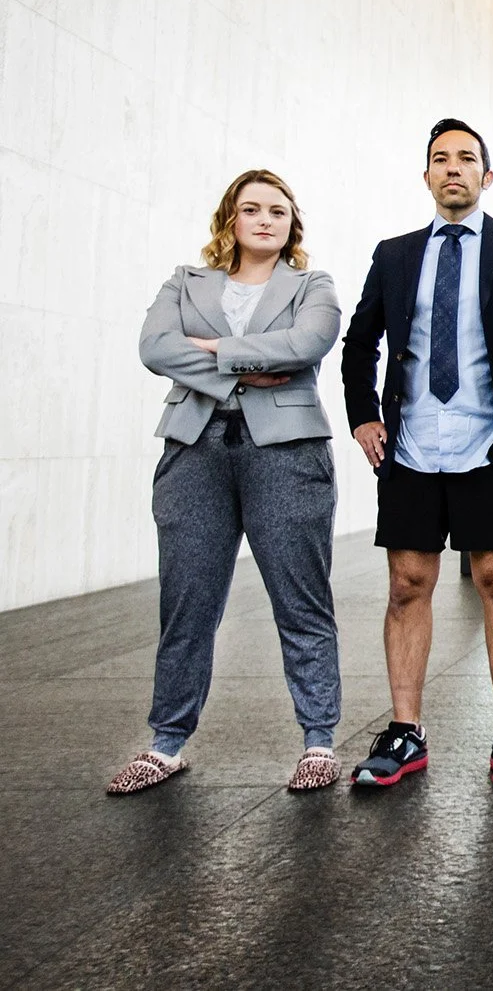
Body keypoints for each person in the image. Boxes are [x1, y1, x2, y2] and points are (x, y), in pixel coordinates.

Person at [341, 118, 493, 787]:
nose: (454, 168)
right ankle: (405, 731)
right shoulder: (394, 255)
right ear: (426, 176)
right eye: (441, 159)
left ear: (487, 175)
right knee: (406, 586)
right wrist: (363, 415)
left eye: (467, 158)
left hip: (491, 446)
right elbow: (359, 341)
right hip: (412, 447)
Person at [112, 170, 343, 794]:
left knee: (301, 600)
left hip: (286, 452)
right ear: (230, 220)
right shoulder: (185, 281)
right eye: (251, 209)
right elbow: (155, 347)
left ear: (292, 223)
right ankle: (166, 743)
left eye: (278, 210)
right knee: (187, 601)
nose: (265, 219)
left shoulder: (312, 284)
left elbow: (309, 342)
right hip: (195, 450)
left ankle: (319, 739)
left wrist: (210, 351)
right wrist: (246, 362)